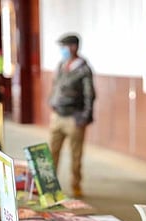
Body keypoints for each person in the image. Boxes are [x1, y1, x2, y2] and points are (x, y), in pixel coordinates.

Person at [48, 33, 96, 198]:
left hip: (74, 117)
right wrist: (51, 103)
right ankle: (50, 186)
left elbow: (90, 95)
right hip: (57, 116)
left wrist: (85, 117)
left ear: (74, 47)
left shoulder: (83, 69)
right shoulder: (62, 64)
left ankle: (76, 185)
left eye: (64, 47)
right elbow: (55, 86)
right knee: (52, 152)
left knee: (75, 154)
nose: (62, 50)